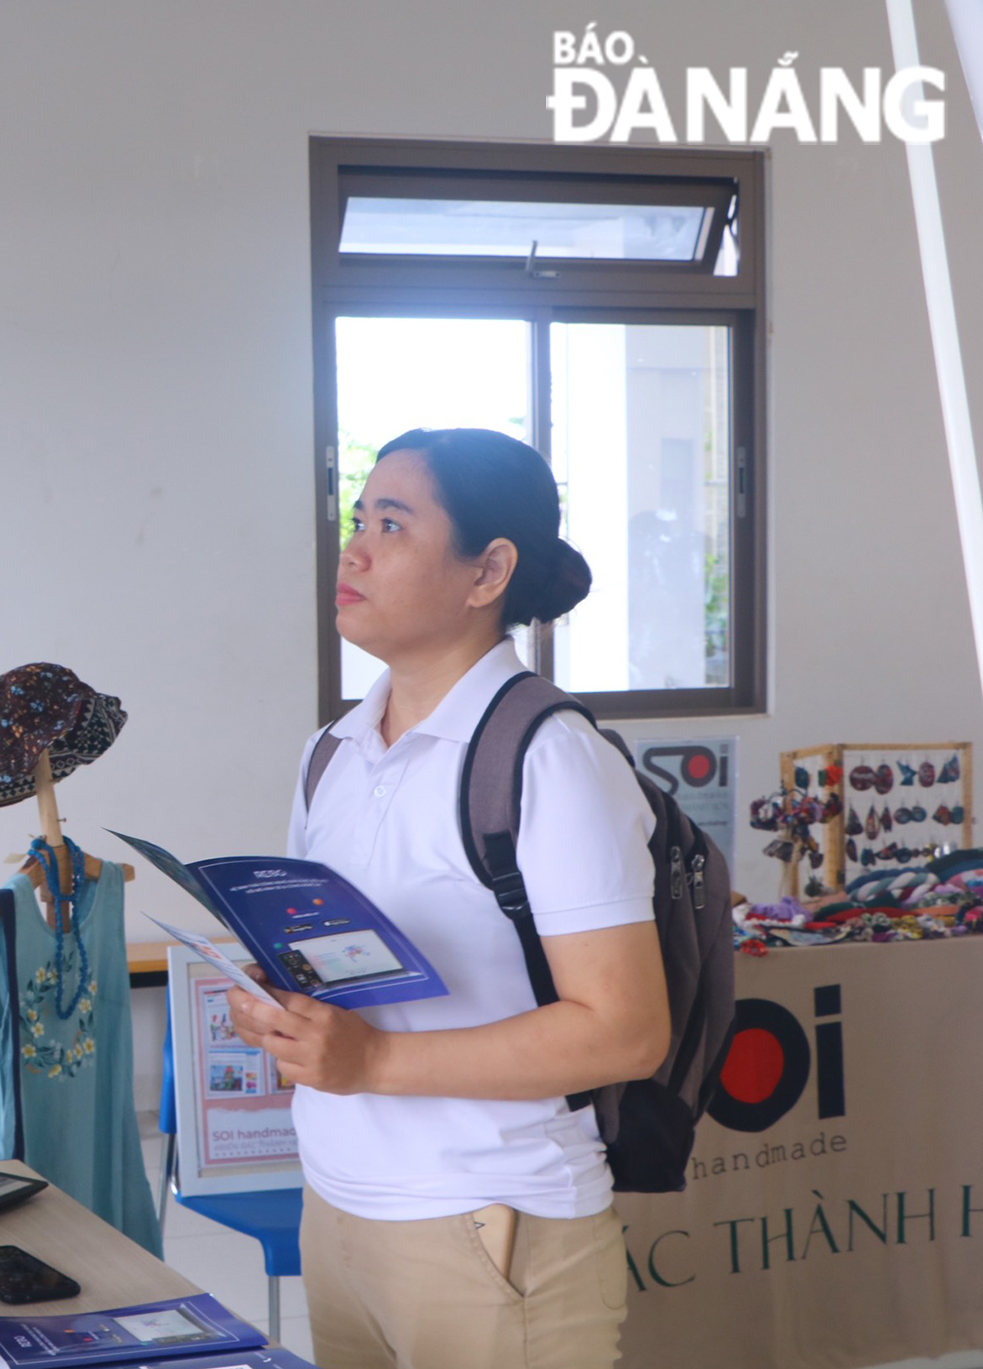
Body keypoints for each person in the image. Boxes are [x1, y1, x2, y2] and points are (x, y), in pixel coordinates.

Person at [229, 427, 668, 1369]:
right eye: (357, 519)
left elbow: (626, 1030)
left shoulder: (548, 757)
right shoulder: (331, 754)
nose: (352, 549)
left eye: (392, 524)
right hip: (338, 1208)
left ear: (487, 572)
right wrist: (287, 1016)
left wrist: (373, 1059)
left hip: (492, 1223)